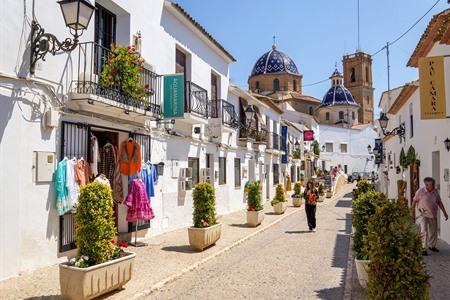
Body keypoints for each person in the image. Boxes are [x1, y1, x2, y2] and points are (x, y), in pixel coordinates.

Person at [411, 177, 448, 256]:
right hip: (422, 214)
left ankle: (431, 246)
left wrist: (445, 212)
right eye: (432, 185)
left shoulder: (435, 192)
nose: (434, 186)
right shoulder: (420, 192)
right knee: (424, 230)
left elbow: (439, 202)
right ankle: (423, 248)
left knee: (433, 231)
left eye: (434, 184)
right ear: (426, 185)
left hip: (432, 214)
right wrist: (412, 213)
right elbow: (414, 202)